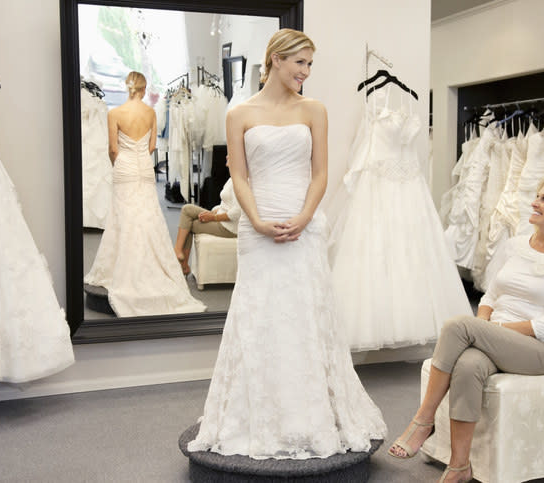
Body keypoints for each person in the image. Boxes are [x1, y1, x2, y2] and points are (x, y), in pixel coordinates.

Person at [187, 29, 386, 459]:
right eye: (300, 62)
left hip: (304, 224)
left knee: (303, 316)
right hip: (256, 228)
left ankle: (307, 417)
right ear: (275, 60)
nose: (306, 72)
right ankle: (256, 416)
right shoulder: (239, 114)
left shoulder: (314, 109)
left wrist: (304, 217)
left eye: (310, 64)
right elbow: (238, 176)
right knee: (257, 318)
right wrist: (255, 219)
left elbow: (320, 174)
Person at [388, 177, 544, 483]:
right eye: (536, 196)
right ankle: (459, 466)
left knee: (459, 325)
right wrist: (485, 330)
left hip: (542, 349)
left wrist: (490, 331)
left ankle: (423, 420)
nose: (533, 202)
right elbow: (491, 297)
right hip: (498, 338)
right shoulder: (516, 245)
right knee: (468, 365)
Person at [84, 72, 206, 317]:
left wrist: (119, 164)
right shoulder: (150, 113)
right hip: (143, 166)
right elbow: (152, 147)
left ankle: (124, 267)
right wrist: (139, 156)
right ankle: (152, 266)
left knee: (123, 217)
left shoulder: (114, 113)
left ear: (127, 87)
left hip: (125, 166)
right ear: (143, 88)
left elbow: (112, 148)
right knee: (148, 215)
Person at [174, 178, 240, 275]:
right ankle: (179, 253)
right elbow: (227, 203)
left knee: (190, 224)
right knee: (187, 209)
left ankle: (183, 264)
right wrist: (216, 210)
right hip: (220, 216)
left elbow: (237, 212)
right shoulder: (233, 178)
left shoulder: (242, 181)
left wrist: (214, 217)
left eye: (229, 161)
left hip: (228, 227)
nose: (227, 164)